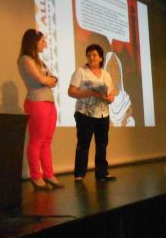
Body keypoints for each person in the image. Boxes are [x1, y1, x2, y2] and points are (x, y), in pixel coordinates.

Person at [17, 29, 63, 190]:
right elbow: (41, 79)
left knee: (47, 141)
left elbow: (53, 79)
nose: (45, 44)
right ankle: (36, 177)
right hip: (36, 102)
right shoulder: (25, 59)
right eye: (43, 41)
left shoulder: (40, 62)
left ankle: (49, 174)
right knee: (36, 141)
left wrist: (49, 80)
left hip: (49, 103)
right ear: (33, 42)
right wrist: (49, 80)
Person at [68, 44, 116, 182]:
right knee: (83, 143)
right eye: (89, 55)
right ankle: (79, 174)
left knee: (102, 144)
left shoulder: (106, 74)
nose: (91, 57)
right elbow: (71, 91)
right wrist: (90, 92)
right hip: (84, 113)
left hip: (103, 113)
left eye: (94, 55)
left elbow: (111, 93)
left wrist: (110, 98)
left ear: (101, 58)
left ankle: (101, 173)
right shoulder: (81, 71)